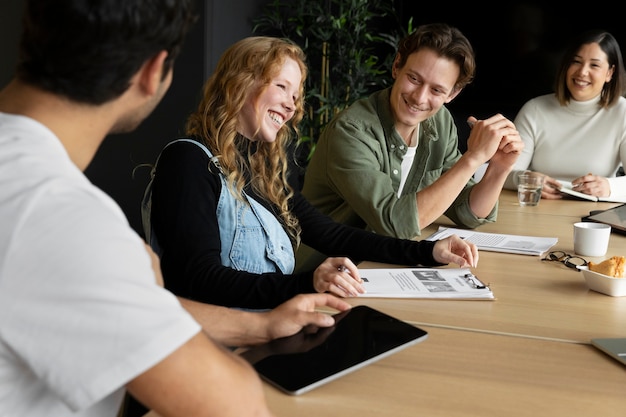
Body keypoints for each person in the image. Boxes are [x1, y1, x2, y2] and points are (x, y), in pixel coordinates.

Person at [0, 1, 354, 416]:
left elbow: (131, 313)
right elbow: (233, 405)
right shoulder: (66, 221)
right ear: (154, 72)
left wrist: (259, 327)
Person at [143, 36, 479, 310]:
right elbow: (198, 280)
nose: (291, 104)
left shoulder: (258, 170)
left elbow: (334, 236)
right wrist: (308, 284)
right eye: (281, 87)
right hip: (223, 348)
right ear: (239, 84)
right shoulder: (187, 161)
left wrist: (428, 252)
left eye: (295, 94)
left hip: (273, 324)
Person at [297, 22, 523, 271]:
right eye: (414, 79)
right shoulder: (352, 130)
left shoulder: (440, 121)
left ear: (453, 94)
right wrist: (473, 159)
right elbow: (395, 223)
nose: (419, 97)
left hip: (383, 263)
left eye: (437, 90)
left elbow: (468, 213)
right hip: (324, 273)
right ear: (397, 66)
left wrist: (499, 167)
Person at [503, 29, 626, 200]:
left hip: (594, 217)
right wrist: (525, 179)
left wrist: (609, 187)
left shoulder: (622, 112)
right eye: (576, 62)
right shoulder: (535, 109)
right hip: (538, 207)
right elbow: (502, 173)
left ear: (610, 73)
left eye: (594, 65)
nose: (582, 72)